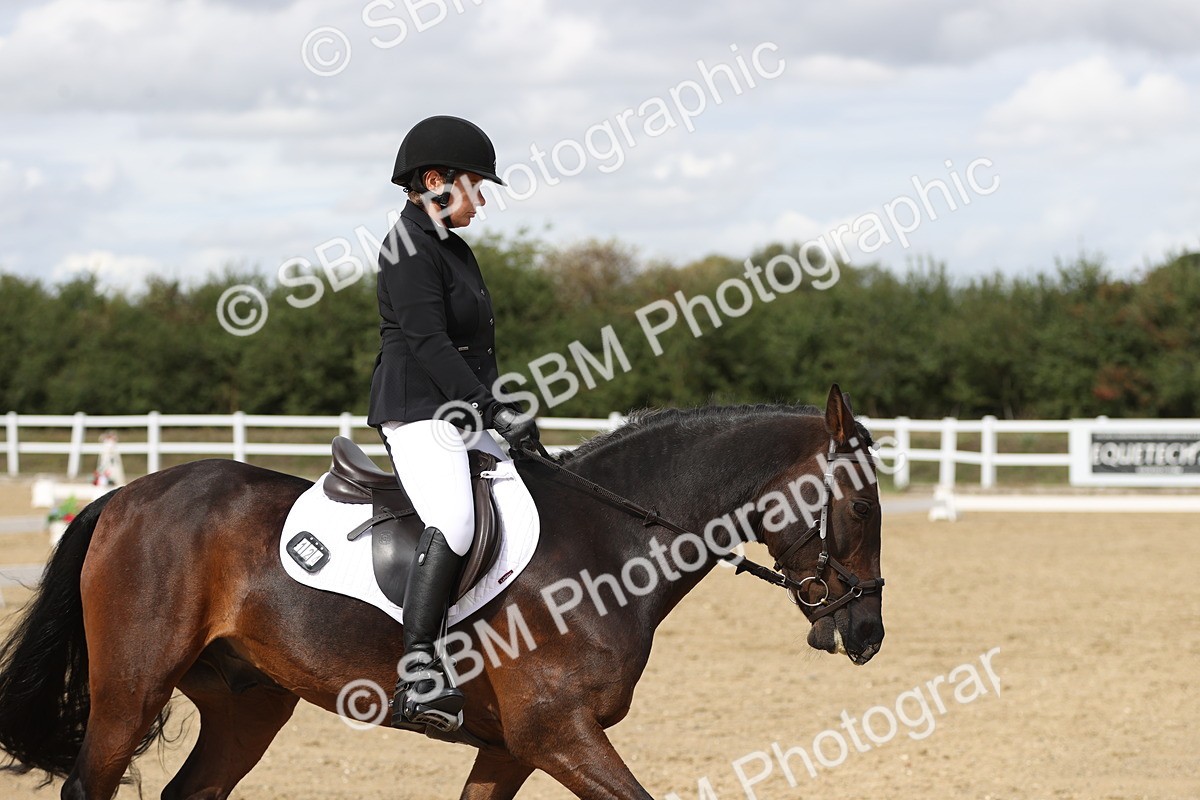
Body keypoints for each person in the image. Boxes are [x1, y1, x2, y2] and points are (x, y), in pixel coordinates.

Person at [367, 115, 540, 732]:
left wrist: (507, 412)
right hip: (418, 411)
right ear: (436, 181)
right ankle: (418, 671)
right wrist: (491, 409)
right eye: (477, 184)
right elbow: (430, 344)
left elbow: (476, 354)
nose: (483, 197)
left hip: (460, 406)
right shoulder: (407, 248)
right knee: (455, 519)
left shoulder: (453, 249)